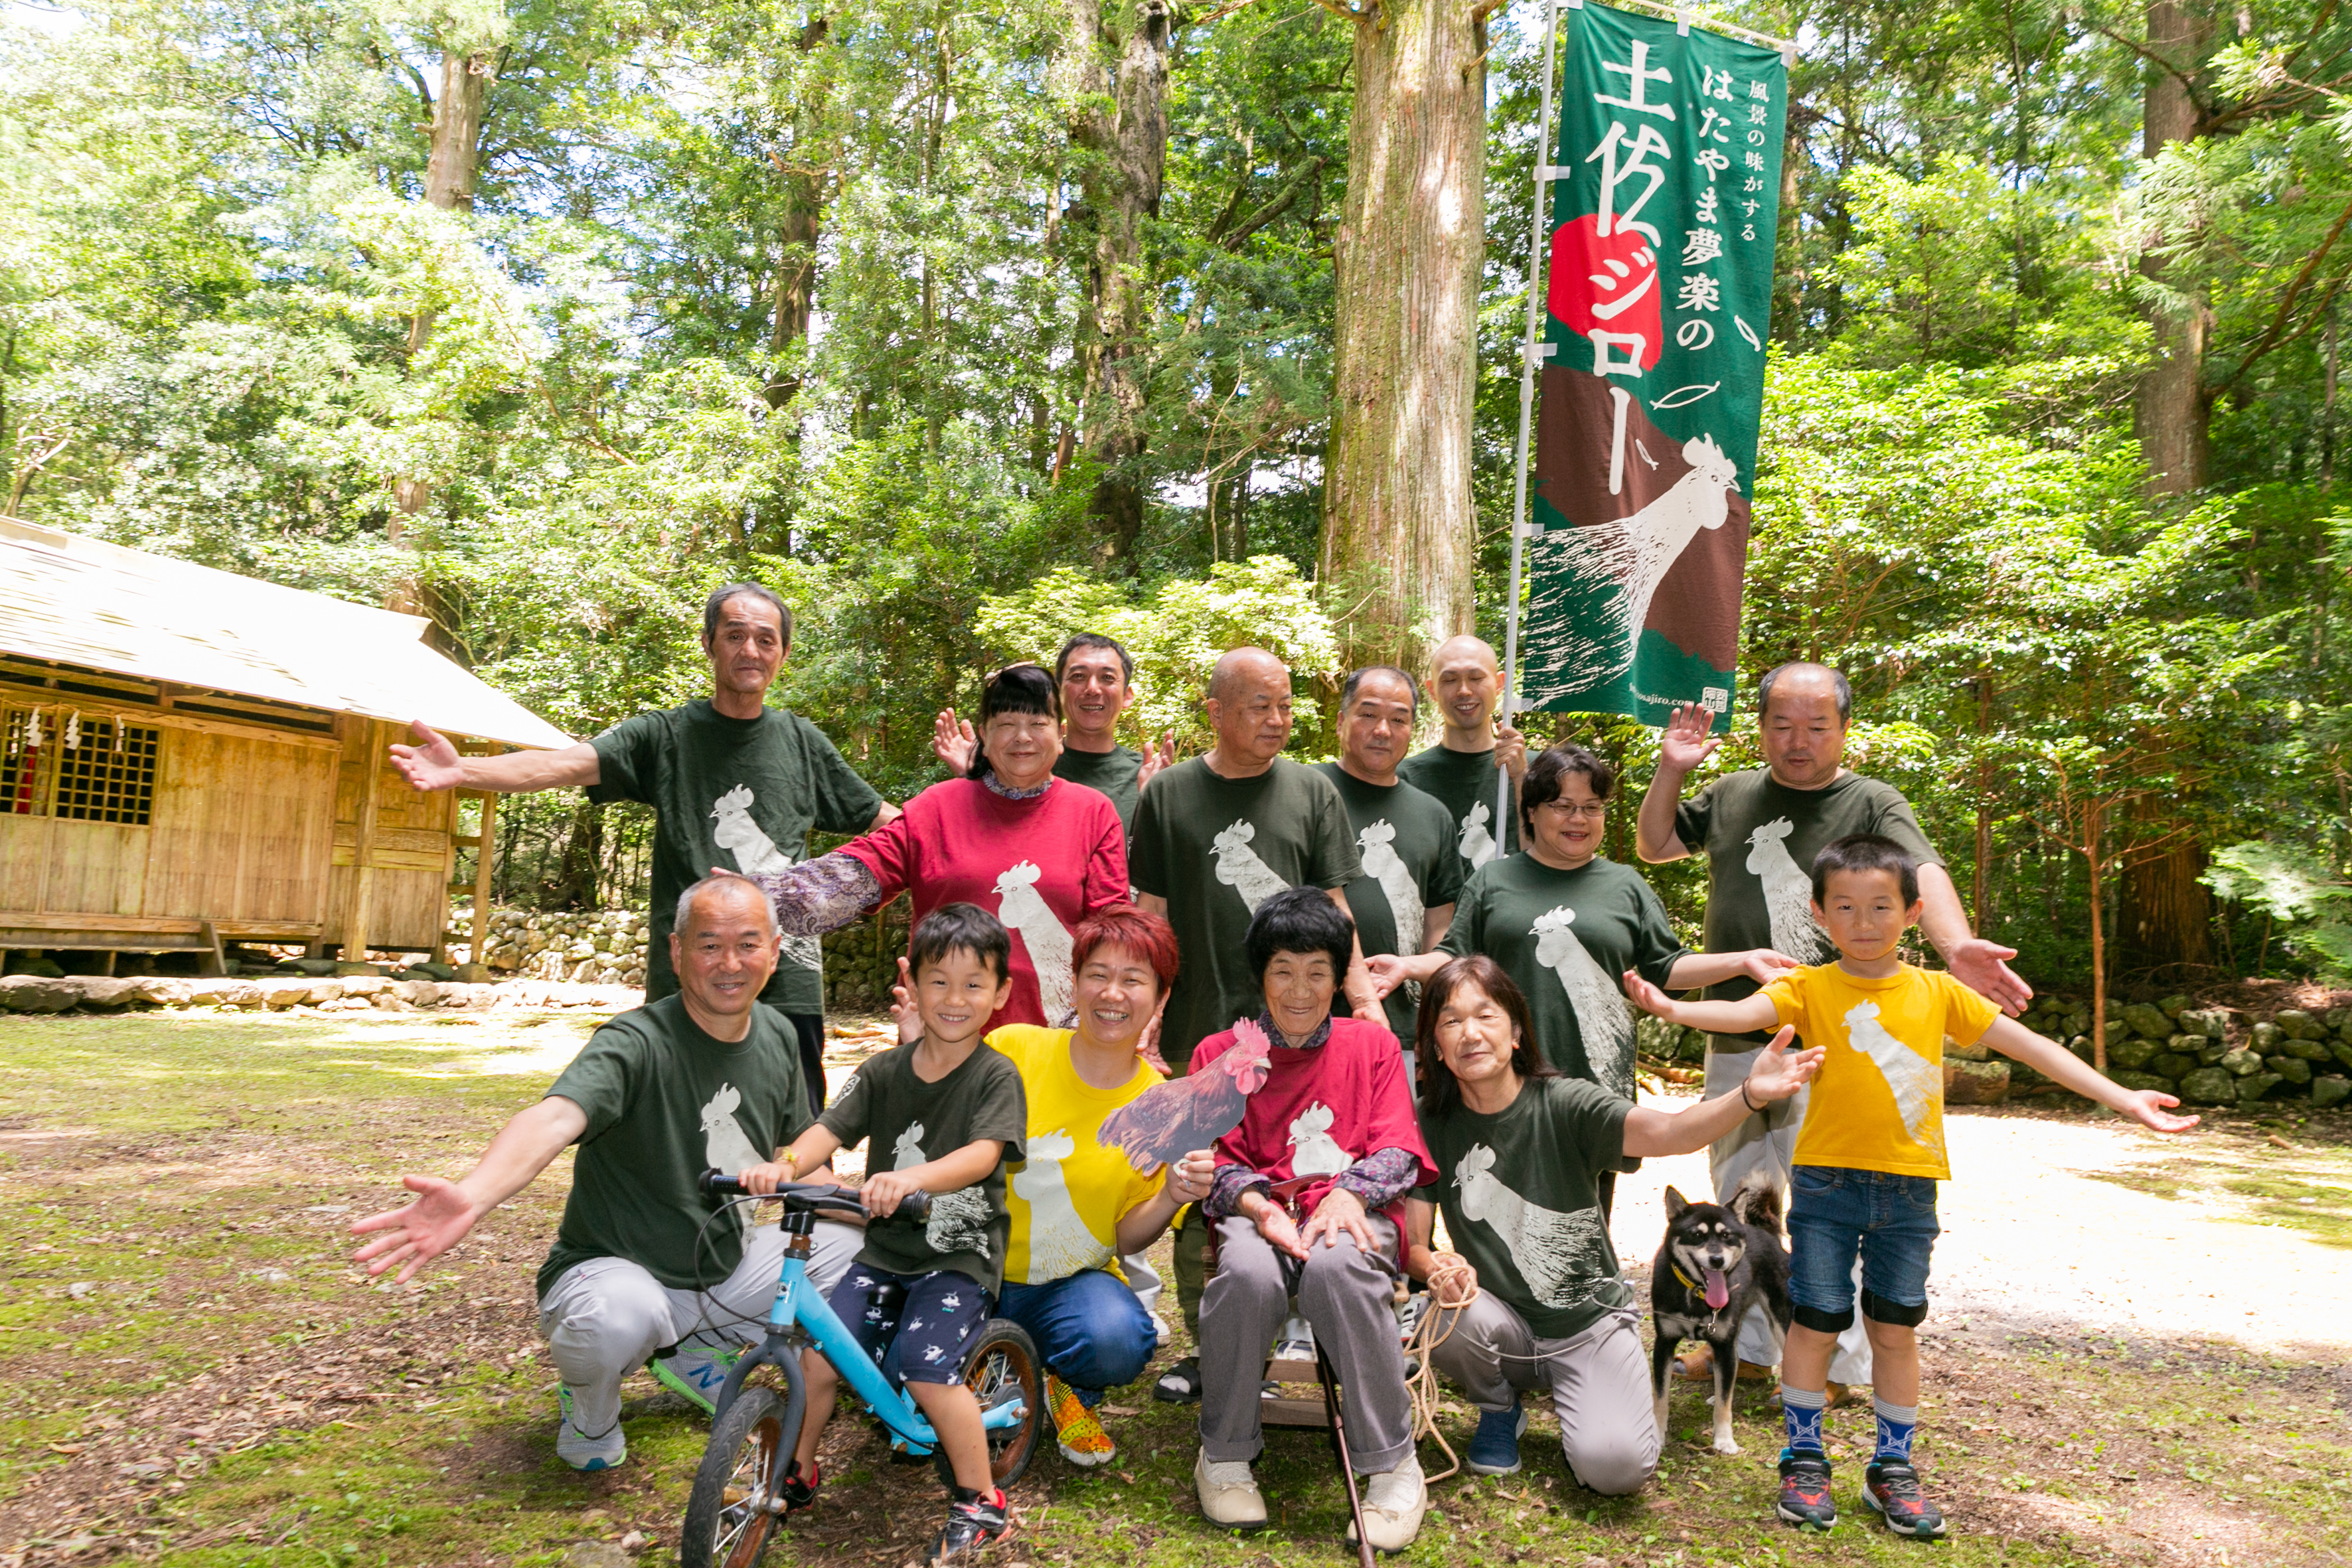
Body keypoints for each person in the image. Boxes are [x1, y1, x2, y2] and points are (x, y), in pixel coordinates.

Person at [1624, 834, 2198, 1539]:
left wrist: (2121, 1097)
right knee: (1817, 1322)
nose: (1864, 922)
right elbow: (1743, 1014)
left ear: (1913, 911)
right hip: (1828, 1188)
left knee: (1895, 1329)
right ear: (1819, 915)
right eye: (1846, 907)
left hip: (1909, 1193)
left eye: (1881, 906)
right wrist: (1673, 1010)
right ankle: (1804, 1458)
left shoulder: (1938, 992)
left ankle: (1891, 1468)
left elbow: (2032, 1047)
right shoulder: (1809, 986)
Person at [348, 876, 858, 1472]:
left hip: (721, 1264)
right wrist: (473, 1195)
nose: (729, 963)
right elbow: (554, 1119)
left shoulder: (775, 1034)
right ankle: (591, 1409)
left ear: (774, 951)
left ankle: (696, 1348)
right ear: (675, 951)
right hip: (624, 1273)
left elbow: (804, 1155)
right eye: (709, 944)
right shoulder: (636, 1042)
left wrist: (864, 1205)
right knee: (612, 1321)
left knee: (852, 1246)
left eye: (747, 944)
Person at [1634, 661, 2029, 1387]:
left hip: (1839, 1040)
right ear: (1759, 727)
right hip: (1741, 1035)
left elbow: (1925, 872)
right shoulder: (1733, 793)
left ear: (1845, 729)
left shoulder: (1871, 800)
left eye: (1817, 726)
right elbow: (1655, 844)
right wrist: (1671, 767)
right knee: (1740, 1200)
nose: (1798, 741)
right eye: (1781, 724)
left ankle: (1838, 1367)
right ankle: (1751, 1351)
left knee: (1828, 1200)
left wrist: (1954, 946)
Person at [389, 582, 897, 1114]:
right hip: (691, 971)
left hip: (784, 968)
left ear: (783, 654)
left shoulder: (801, 743)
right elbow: (556, 765)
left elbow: (891, 825)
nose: (750, 650)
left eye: (766, 640)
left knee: (802, 1129)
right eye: (735, 635)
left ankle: (804, 1200)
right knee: (683, 1118)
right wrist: (464, 769)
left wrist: (969, 806)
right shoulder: (665, 737)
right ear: (709, 644)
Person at [1405, 955, 1823, 1487]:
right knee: (1446, 1312)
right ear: (1435, 1046)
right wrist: (1436, 1264)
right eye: (1449, 1021)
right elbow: (1413, 1243)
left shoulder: (1565, 1105)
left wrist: (1746, 1095)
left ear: (1515, 1032)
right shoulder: (1428, 1121)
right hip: (1500, 1326)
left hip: (1586, 1326)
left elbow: (1670, 1133)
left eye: (1485, 1016)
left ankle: (1584, 1391)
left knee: (1616, 1471)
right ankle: (1499, 1407)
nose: (1469, 1034)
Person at [1368, 744, 1794, 1215]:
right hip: (1508, 1084)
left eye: (1591, 808)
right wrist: (1407, 965)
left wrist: (1742, 960)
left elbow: (1667, 968)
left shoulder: (1625, 885)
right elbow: (1453, 956)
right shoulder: (1492, 881)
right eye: (1563, 806)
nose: (1579, 819)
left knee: (1586, 1223)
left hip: (1598, 1087)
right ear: (1532, 811)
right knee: (1511, 1218)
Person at [744, 903, 1029, 1565]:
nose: (954, 999)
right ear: (913, 980)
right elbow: (829, 1127)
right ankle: (799, 1468)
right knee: (820, 1355)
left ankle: (981, 1498)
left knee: (927, 1369)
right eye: (939, 981)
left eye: (973, 984)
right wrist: (783, 1164)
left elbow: (986, 1153)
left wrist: (911, 1179)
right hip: (890, 1247)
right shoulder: (882, 1071)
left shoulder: (994, 1074)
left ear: (1001, 994)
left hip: (960, 1246)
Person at [1128, 645, 1375, 1397]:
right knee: (1206, 1186)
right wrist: (1144, 1010)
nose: (1278, 719)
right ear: (1215, 710)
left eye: (1286, 704)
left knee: (1308, 1169)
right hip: (1205, 1032)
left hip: (1305, 1034)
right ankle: (1217, 1348)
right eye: (1259, 705)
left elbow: (1335, 910)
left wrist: (1363, 1002)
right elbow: (1153, 915)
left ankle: (1316, 1334)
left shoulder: (1313, 790)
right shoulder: (1167, 793)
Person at [1189, 888, 1437, 1553]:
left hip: (1350, 1211)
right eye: (1283, 971)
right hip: (1260, 1209)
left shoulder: (1372, 1046)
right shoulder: (1226, 1052)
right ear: (1260, 975)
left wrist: (1349, 1193)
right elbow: (1215, 1161)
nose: (1300, 990)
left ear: (1337, 977)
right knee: (1245, 1273)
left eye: (1317, 972)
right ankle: (1226, 1452)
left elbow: (1398, 1149)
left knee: (1337, 1265)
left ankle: (1391, 1464)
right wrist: (1262, 1208)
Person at [739, 662, 1128, 1032]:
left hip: (1057, 1042)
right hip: (942, 1040)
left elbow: (1112, 928)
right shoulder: (936, 808)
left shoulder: (1093, 813)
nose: (1022, 737)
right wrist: (752, 899)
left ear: (1059, 735)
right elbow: (857, 873)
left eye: (1037, 723)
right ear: (984, 736)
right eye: (1006, 723)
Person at [982, 906, 1208, 1468]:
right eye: (1097, 974)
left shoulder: (1161, 1107)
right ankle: (1006, 1366)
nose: (1112, 993)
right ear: (1074, 982)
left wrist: (1172, 1196)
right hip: (973, 1268)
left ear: (1159, 999)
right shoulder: (1014, 1047)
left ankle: (1063, 1385)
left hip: (1067, 1283)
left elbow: (1127, 1240)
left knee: (1118, 1341)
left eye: (1133, 980)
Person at [1314, 665, 1463, 1075]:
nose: (1383, 730)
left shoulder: (1433, 815)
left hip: (1399, 1029)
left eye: (1399, 719)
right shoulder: (1304, 791)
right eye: (1368, 714)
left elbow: (1440, 926)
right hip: (1303, 1020)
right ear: (1342, 721)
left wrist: (1434, 1016)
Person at [933, 633, 1177, 832]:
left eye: (1107, 678)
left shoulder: (1150, 777)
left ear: (1127, 696)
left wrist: (1160, 802)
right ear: (1057, 693)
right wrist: (979, 776)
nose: (1092, 688)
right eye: (1079, 676)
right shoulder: (1021, 763)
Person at [1397, 635, 1529, 870]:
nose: (1464, 691)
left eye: (1476, 678)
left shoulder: (1535, 768)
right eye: (1449, 680)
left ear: (1500, 684)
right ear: (1432, 690)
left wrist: (1522, 779)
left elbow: (1550, 859)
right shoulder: (1406, 778)